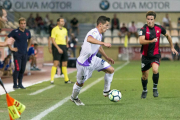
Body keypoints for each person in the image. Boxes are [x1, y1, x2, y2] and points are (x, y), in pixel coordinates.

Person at [70, 16, 115, 106]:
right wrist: (104, 43)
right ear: (100, 25)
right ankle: (74, 97)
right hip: (84, 63)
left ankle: (106, 91)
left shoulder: (100, 34)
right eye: (106, 25)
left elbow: (98, 46)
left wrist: (106, 57)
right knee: (80, 83)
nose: (107, 27)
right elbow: (89, 39)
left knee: (110, 70)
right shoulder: (94, 32)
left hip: (94, 59)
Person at [139, 11, 178, 99]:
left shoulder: (159, 28)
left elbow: (168, 36)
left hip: (155, 55)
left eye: (151, 19)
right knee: (144, 76)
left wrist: (172, 47)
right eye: (148, 19)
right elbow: (141, 41)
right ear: (146, 19)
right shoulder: (143, 29)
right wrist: (151, 41)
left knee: (155, 70)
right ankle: (145, 90)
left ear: (154, 20)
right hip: (145, 56)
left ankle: (155, 88)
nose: (149, 21)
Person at [7, 17, 32, 89]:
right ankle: (15, 84)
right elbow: (7, 39)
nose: (23, 25)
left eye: (24, 23)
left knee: (22, 69)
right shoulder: (15, 32)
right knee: (18, 68)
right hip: (17, 54)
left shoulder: (28, 32)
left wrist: (28, 47)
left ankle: (20, 84)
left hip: (25, 53)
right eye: (21, 24)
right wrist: (11, 48)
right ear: (19, 24)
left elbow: (30, 39)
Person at [50, 17, 72, 84]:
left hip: (64, 46)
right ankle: (52, 80)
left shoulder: (65, 30)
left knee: (65, 63)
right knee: (56, 63)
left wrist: (67, 44)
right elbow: (53, 40)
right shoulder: (54, 29)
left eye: (63, 21)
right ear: (58, 22)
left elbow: (66, 37)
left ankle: (66, 79)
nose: (63, 22)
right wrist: (58, 48)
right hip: (57, 46)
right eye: (61, 21)